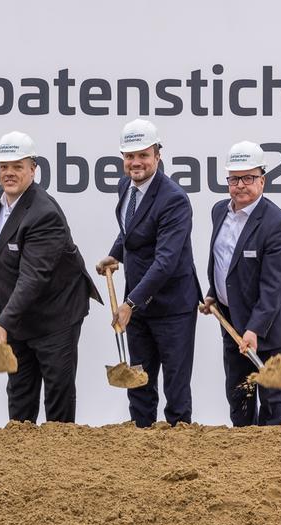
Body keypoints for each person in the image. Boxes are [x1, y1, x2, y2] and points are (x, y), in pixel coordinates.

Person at [0, 131, 101, 423]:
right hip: (21, 314)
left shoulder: (43, 214)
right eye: (3, 166)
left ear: (33, 169)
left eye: (17, 166)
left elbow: (33, 276)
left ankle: (61, 462)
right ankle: (20, 460)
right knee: (20, 390)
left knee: (57, 394)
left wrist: (4, 322)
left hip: (56, 315)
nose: (9, 173)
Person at [96, 119, 201, 428]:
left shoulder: (174, 200)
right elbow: (131, 230)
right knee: (139, 382)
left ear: (157, 155)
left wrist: (130, 304)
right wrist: (115, 254)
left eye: (143, 155)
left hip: (173, 307)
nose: (136, 162)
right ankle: (141, 446)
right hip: (139, 306)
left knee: (176, 387)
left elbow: (165, 262)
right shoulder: (125, 186)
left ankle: (179, 451)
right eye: (129, 156)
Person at [201, 141, 281, 426]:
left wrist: (255, 329)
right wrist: (214, 293)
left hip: (271, 325)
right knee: (239, 394)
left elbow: (275, 286)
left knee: (271, 401)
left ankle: (271, 461)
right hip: (232, 320)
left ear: (262, 180)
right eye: (234, 178)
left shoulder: (279, 225)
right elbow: (226, 263)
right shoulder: (218, 211)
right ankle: (243, 460)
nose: (241, 185)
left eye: (249, 178)